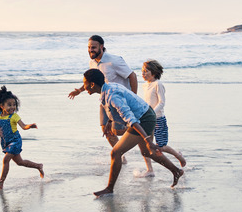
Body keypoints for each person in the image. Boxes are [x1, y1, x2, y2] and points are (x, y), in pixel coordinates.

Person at [81, 69, 183, 197]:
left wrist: (147, 139)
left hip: (143, 119)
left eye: (84, 83)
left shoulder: (113, 96)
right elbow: (112, 108)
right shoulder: (107, 89)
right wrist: (108, 122)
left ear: (92, 84)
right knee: (146, 152)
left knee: (116, 152)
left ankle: (109, 188)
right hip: (145, 114)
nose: (83, 87)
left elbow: (131, 119)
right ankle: (176, 171)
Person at [68, 35, 154, 174]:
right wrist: (80, 90)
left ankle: (147, 159)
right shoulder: (93, 63)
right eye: (89, 48)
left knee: (133, 129)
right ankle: (121, 155)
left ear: (102, 47)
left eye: (94, 47)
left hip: (121, 101)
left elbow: (132, 76)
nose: (91, 50)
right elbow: (92, 80)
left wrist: (133, 96)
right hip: (105, 101)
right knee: (106, 131)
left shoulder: (114, 60)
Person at [142, 60, 186, 167]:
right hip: (148, 119)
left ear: (153, 72)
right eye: (142, 71)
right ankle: (150, 170)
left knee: (161, 147)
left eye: (146, 71)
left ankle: (179, 156)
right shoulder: (145, 85)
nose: (143, 73)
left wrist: (152, 113)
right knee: (146, 146)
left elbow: (161, 102)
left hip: (158, 119)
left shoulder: (158, 84)